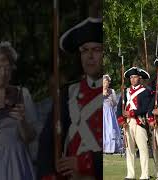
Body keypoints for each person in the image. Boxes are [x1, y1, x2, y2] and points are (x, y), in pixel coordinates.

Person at [38, 17, 103, 180]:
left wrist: (85, 163)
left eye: (96, 50)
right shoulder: (69, 93)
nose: (89, 56)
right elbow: (48, 141)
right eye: (84, 50)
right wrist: (48, 175)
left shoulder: (116, 94)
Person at [0, 41, 37, 180]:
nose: (3, 73)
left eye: (7, 68)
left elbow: (29, 138)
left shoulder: (22, 94)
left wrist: (22, 120)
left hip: (17, 160)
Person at [116, 66, 151, 180]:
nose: (132, 79)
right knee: (129, 149)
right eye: (131, 77)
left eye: (135, 77)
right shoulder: (125, 92)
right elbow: (119, 108)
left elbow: (145, 108)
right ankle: (130, 174)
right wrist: (121, 121)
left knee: (143, 149)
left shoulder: (145, 92)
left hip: (139, 122)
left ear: (139, 78)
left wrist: (131, 113)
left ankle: (144, 174)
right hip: (127, 123)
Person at [103, 74, 122, 153]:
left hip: (110, 113)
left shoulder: (112, 91)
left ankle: (110, 148)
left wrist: (110, 102)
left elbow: (115, 103)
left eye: (106, 82)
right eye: (104, 83)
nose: (105, 84)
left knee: (111, 130)